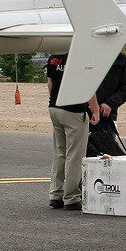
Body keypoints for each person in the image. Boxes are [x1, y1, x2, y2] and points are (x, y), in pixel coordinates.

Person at [46, 53, 99, 211]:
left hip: (55, 107)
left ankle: (56, 194)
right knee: (75, 155)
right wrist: (94, 109)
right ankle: (71, 196)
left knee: (59, 152)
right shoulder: (80, 57)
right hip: (74, 110)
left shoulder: (54, 57)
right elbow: (87, 87)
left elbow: (50, 83)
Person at [89, 52, 126, 156]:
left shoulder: (121, 59)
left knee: (109, 152)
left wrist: (110, 104)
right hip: (86, 113)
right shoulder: (88, 56)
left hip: (107, 115)